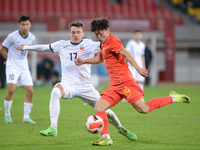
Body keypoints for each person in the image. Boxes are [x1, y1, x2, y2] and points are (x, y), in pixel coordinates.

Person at [74, 17, 191, 146]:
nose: (99, 37)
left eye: (101, 34)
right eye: (97, 35)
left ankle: (173, 98)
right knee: (99, 107)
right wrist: (83, 61)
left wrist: (138, 68)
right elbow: (101, 58)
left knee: (144, 109)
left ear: (108, 30)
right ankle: (106, 137)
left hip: (125, 83)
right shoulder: (104, 43)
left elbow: (126, 53)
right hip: (115, 86)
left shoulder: (112, 40)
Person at [16, 21, 137, 141]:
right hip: (68, 85)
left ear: (83, 33)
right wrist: (26, 47)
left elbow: (109, 45)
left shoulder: (90, 44)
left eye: (78, 32)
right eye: (73, 32)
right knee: (55, 92)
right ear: (69, 33)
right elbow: (44, 47)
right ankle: (53, 128)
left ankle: (121, 129)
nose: (75, 34)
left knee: (106, 111)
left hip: (86, 87)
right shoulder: (61, 44)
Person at [0, 15, 36, 124]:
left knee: (30, 92)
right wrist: (9, 59)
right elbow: (2, 50)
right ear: (19, 25)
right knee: (11, 90)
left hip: (24, 67)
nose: (25, 26)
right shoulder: (12, 36)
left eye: (27, 24)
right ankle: (7, 114)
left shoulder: (32, 37)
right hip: (12, 67)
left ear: (30, 25)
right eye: (23, 24)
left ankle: (26, 117)